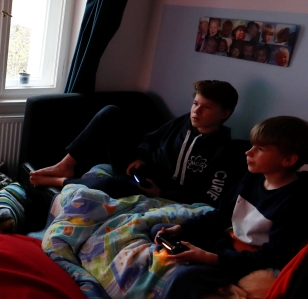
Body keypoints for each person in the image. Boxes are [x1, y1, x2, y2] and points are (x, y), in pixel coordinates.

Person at [135, 116, 308, 299]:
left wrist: (211, 259)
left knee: (182, 278)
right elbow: (222, 214)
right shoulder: (254, 178)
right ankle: (190, 256)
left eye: (259, 149)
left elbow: (274, 255)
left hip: (255, 262)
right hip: (230, 242)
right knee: (160, 232)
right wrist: (181, 230)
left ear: (288, 160)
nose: (248, 152)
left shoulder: (300, 200)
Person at [30, 80, 246, 206]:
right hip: (141, 170)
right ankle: (66, 164)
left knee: (110, 185)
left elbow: (209, 198)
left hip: (158, 190)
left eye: (206, 107)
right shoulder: (184, 122)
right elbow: (151, 138)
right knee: (110, 113)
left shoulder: (225, 151)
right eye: (195, 103)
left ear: (225, 113)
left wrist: (160, 193)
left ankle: (61, 181)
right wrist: (141, 157)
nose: (196, 111)